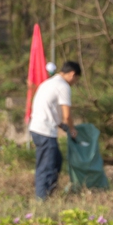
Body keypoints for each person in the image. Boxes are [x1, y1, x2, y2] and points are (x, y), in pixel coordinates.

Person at [27, 60, 81, 200]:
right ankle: (42, 199)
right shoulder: (63, 86)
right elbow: (67, 115)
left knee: (56, 160)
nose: (74, 83)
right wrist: (72, 129)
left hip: (37, 127)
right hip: (45, 131)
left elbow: (49, 109)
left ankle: (49, 192)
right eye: (76, 79)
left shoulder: (49, 83)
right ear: (72, 74)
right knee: (46, 166)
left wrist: (60, 124)